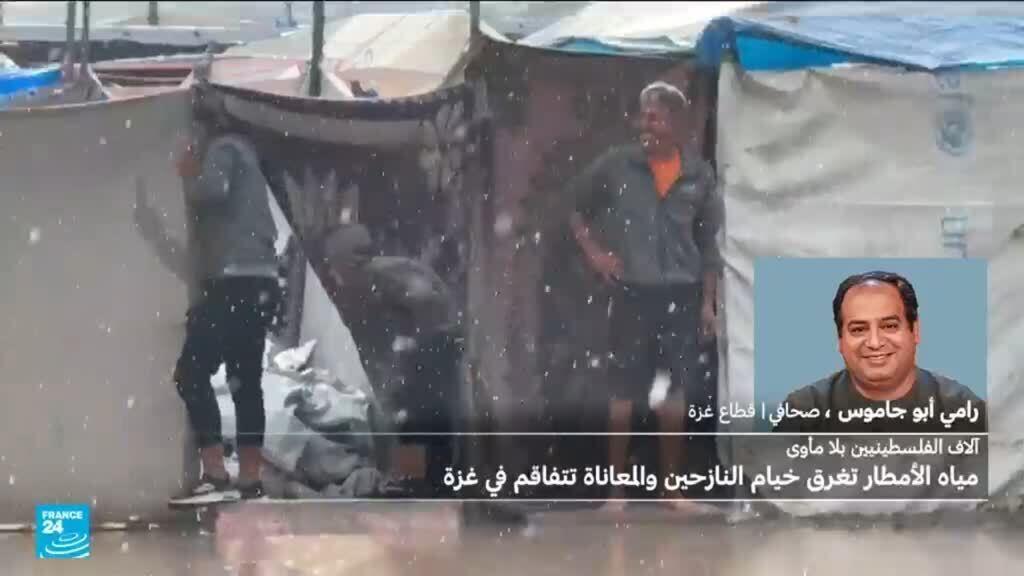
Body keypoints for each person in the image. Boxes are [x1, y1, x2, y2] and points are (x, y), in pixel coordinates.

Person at [567, 81, 723, 512]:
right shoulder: (618, 166)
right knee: (624, 390)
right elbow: (576, 206)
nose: (645, 125)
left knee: (673, 393)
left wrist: (708, 302)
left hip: (682, 294)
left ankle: (670, 489)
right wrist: (596, 254)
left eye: (654, 117)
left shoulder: (698, 175)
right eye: (643, 116)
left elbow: (709, 244)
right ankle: (616, 491)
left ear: (677, 123)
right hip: (632, 293)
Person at [166, 99, 281, 504]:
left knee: (191, 373)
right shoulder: (245, 149)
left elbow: (212, 190)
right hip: (259, 280)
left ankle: (215, 475)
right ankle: (249, 480)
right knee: (245, 381)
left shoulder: (225, 148)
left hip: (235, 283)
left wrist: (186, 174)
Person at [772, 271, 987, 433]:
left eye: (889, 326)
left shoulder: (962, 410)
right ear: (840, 340)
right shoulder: (804, 412)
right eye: (858, 329)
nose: (874, 343)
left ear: (915, 331)